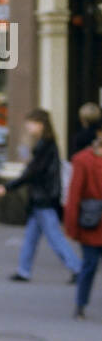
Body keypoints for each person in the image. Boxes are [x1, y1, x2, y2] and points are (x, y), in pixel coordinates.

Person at [0, 109, 80, 282]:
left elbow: (32, 172)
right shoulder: (46, 144)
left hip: (43, 199)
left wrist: (8, 186)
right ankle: (24, 270)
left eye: (31, 123)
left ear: (40, 124)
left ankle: (77, 268)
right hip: (40, 198)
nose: (28, 127)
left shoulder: (45, 145)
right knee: (31, 237)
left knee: (54, 237)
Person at [63, 120, 102, 318]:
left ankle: (80, 305)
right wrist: (72, 227)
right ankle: (80, 303)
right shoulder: (83, 160)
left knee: (89, 265)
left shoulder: (83, 159)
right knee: (89, 265)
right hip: (92, 222)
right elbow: (74, 195)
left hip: (90, 220)